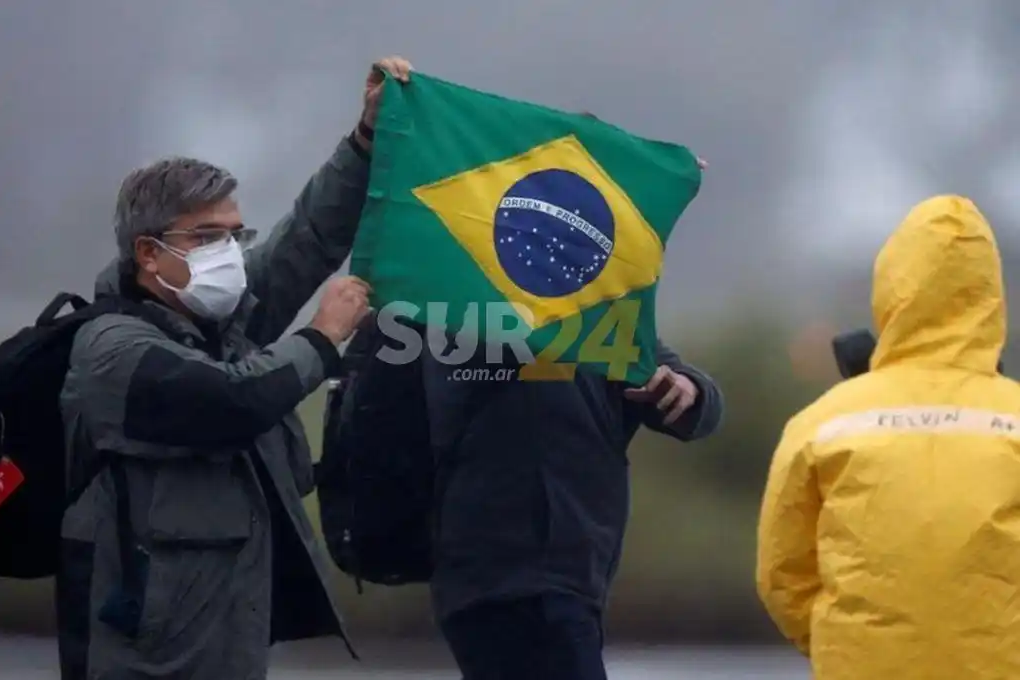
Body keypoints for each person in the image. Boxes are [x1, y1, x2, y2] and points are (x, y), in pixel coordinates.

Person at [56, 56, 413, 680]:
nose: (228, 253)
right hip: (141, 661)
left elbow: (307, 238)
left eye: (234, 235)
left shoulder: (223, 326)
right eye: (206, 238)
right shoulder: (111, 350)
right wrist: (322, 338)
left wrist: (366, 142)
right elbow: (228, 402)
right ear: (147, 252)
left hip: (229, 652)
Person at [756, 195, 1020, 680]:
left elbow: (783, 576)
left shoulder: (821, 423)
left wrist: (845, 645)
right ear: (990, 297)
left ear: (892, 289)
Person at [425, 330, 723, 677]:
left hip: (563, 576)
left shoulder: (598, 316)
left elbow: (700, 408)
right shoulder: (459, 306)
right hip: (514, 575)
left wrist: (689, 389)